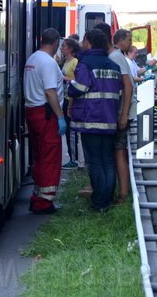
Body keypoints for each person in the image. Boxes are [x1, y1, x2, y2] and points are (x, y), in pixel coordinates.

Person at [67, 27, 123, 213]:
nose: (82, 44)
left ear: (89, 42)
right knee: (107, 160)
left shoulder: (86, 63)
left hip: (90, 119)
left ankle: (99, 202)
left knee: (95, 162)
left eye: (84, 41)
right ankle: (106, 200)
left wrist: (70, 87)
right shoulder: (114, 66)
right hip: (109, 120)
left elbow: (81, 86)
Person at [24, 28, 66, 214]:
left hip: (32, 111)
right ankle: (44, 202)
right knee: (50, 157)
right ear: (56, 42)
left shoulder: (32, 59)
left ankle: (38, 195)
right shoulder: (48, 63)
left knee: (39, 156)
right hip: (46, 114)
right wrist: (61, 117)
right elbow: (50, 92)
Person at [108, 28, 135, 204]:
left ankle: (124, 193)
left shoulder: (116, 57)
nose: (130, 43)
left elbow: (128, 86)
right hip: (122, 112)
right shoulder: (118, 56)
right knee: (120, 153)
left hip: (122, 113)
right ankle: (123, 190)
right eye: (129, 40)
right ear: (121, 40)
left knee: (119, 153)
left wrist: (123, 114)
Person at [59, 37, 82, 170]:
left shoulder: (74, 62)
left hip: (71, 97)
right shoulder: (65, 61)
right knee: (68, 130)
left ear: (71, 49)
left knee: (72, 130)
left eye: (64, 46)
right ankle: (72, 156)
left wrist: (63, 78)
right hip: (66, 97)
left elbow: (76, 80)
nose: (62, 48)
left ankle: (75, 158)